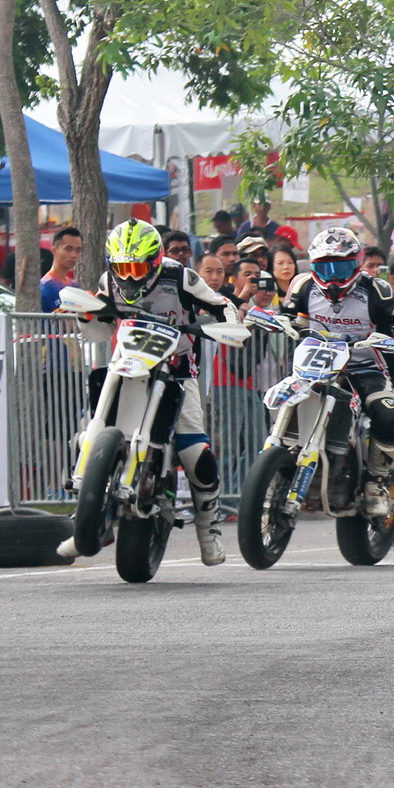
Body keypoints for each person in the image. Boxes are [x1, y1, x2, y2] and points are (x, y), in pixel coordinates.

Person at [57, 220, 243, 566]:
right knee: (88, 429)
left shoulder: (181, 277)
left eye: (138, 268)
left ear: (155, 261)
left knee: (195, 452)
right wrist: (86, 316)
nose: (130, 275)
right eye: (123, 267)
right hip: (126, 365)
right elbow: (98, 332)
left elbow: (220, 305)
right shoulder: (107, 282)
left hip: (178, 368)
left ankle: (208, 531)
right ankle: (82, 520)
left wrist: (224, 325)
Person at [278, 227, 394, 519]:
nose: (333, 277)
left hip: (366, 368)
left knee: (391, 416)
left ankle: (376, 482)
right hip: (315, 367)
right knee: (279, 399)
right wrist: (274, 320)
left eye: (341, 267)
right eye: (325, 268)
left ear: (357, 263)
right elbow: (287, 315)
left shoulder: (376, 290)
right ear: (313, 266)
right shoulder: (303, 286)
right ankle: (281, 457)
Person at [39, 227, 83, 312]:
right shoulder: (46, 286)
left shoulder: (74, 285)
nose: (74, 255)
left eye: (78, 250)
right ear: (54, 250)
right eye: (68, 249)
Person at [268, 244, 300, 309]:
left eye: (290, 262)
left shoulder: (301, 290)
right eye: (280, 263)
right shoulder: (267, 294)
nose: (286, 267)